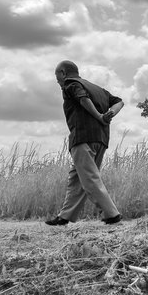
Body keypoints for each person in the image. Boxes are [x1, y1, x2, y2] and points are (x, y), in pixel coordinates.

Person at [45, 60, 124, 226]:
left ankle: (112, 214)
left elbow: (83, 99)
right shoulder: (98, 89)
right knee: (77, 178)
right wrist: (110, 113)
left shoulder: (70, 84)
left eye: (57, 76)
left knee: (89, 178)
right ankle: (65, 216)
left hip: (83, 138)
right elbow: (119, 101)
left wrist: (99, 116)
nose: (57, 80)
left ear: (63, 73)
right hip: (101, 139)